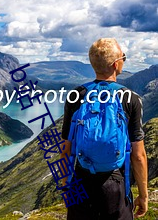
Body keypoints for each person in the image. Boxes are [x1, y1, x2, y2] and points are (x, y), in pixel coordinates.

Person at [61, 38, 148, 220]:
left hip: (80, 181)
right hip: (114, 184)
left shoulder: (76, 95)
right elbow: (138, 155)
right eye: (123, 57)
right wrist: (143, 196)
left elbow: (67, 149)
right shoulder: (130, 99)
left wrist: (65, 186)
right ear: (116, 64)